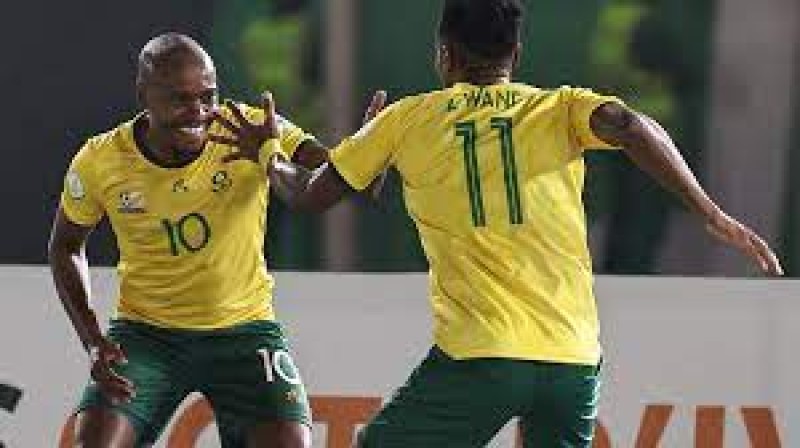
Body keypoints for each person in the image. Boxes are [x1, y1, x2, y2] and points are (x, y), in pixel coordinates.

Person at [218, 0, 785, 446]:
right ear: (516, 49)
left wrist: (269, 153)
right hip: (572, 359)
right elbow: (630, 123)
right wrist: (710, 212)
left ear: (445, 53)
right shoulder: (557, 107)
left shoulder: (408, 119)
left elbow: (312, 197)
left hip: (481, 355)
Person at [48, 32, 337, 447]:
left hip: (246, 333)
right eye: (180, 99)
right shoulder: (101, 160)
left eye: (208, 96)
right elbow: (65, 247)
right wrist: (93, 340)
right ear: (143, 94)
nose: (199, 112)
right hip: (146, 337)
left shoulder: (248, 127)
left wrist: (356, 156)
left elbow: (325, 182)